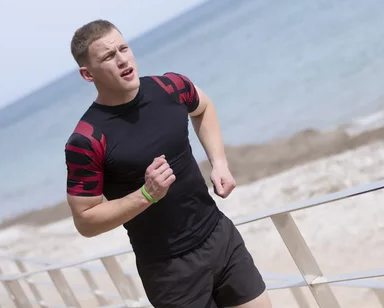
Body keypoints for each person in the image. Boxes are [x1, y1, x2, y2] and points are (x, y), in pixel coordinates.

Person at [64, 19, 272, 308]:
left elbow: (204, 107)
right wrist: (146, 195)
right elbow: (85, 221)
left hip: (220, 237)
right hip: (169, 272)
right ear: (88, 74)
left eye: (124, 48)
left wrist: (219, 162)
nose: (123, 59)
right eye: (109, 56)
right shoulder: (86, 140)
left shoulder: (169, 87)